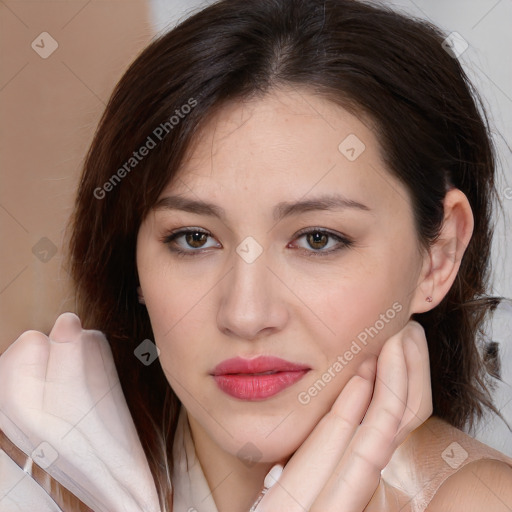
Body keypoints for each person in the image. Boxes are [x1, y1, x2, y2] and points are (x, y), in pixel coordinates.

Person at [1, 0, 511, 511]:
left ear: (439, 254)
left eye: (317, 239)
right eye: (194, 238)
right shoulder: (42, 464)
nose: (246, 314)